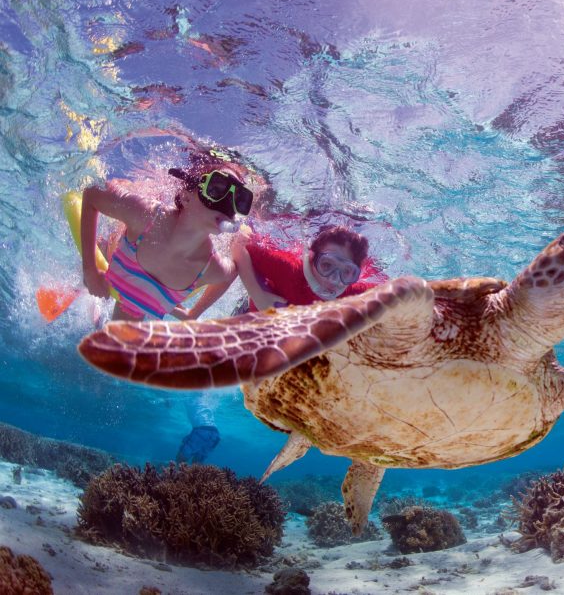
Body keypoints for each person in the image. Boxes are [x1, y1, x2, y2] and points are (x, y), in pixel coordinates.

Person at [79, 148, 259, 463]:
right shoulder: (145, 214)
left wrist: (194, 313)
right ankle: (101, 277)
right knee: (107, 298)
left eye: (240, 199)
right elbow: (92, 194)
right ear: (186, 194)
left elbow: (232, 273)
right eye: (218, 189)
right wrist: (90, 270)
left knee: (117, 337)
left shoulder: (209, 268)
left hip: (137, 303)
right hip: (120, 266)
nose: (228, 204)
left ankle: (103, 317)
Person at [232, 224, 385, 311]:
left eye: (347, 272)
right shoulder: (288, 270)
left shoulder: (355, 292)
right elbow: (239, 237)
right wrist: (256, 293)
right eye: (326, 265)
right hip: (250, 321)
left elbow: (402, 293)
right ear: (312, 258)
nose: (333, 279)